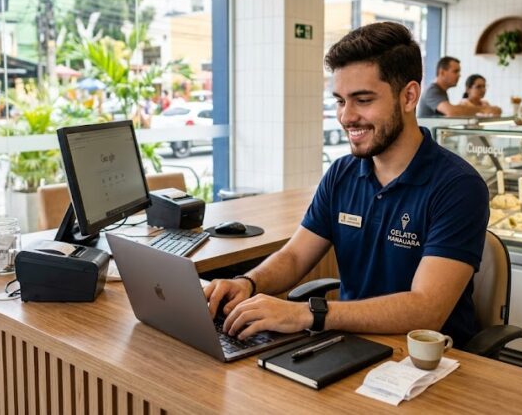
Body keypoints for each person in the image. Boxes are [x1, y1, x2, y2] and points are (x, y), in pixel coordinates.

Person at [204, 22, 489, 348]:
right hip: (351, 344)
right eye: (340, 101)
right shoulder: (342, 173)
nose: (346, 117)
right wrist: (248, 282)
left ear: (409, 96)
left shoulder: (458, 187)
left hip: (430, 360)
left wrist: (307, 314)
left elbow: (426, 309)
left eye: (362, 100)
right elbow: (295, 256)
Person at [418, 57, 499, 117]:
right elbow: (452, 112)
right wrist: (484, 109)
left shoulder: (441, 91)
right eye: (455, 71)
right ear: (442, 72)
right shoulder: (432, 91)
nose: (459, 75)